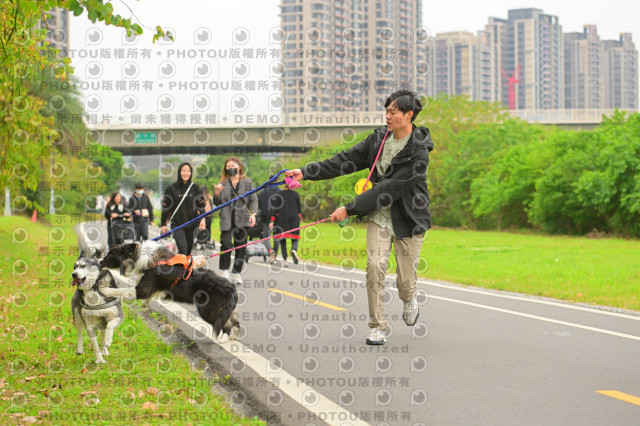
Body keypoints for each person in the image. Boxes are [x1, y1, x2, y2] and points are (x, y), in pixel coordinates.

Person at [285, 90, 434, 345]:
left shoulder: (419, 151)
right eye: (386, 111)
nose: (387, 116)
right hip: (379, 216)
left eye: (393, 112)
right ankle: (377, 326)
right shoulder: (378, 139)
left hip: (409, 218)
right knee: (374, 267)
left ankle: (409, 299)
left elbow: (390, 189)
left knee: (406, 282)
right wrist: (306, 172)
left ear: (409, 115)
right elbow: (344, 160)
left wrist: (350, 208)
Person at [212, 157, 258, 285]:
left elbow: (254, 199)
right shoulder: (223, 183)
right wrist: (217, 193)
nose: (230, 168)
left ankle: (237, 273)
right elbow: (216, 203)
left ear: (239, 167)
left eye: (233, 165)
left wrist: (253, 214)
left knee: (241, 246)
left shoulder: (247, 182)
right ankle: (224, 271)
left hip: (242, 218)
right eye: (228, 166)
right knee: (225, 244)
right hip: (227, 218)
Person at [160, 162, 206, 255]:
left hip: (192, 223)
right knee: (182, 248)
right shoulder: (171, 188)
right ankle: (181, 264)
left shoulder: (196, 188)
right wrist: (163, 223)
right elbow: (166, 207)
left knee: (188, 250)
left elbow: (201, 205)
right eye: (183, 171)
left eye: (188, 171)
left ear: (191, 173)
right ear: (179, 172)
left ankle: (185, 265)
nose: (186, 173)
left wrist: (202, 219)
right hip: (177, 224)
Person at [269, 184, 302, 266]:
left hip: (282, 219)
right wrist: (299, 218)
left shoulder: (279, 194)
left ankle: (285, 259)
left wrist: (272, 220)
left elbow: (275, 209)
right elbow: (299, 210)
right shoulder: (296, 194)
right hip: (294, 219)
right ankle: (294, 249)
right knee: (295, 237)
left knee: (282, 240)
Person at [259, 177, 281, 263]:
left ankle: (270, 251)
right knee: (276, 237)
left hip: (266, 216)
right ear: (277, 181)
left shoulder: (264, 191)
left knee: (266, 237)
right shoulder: (280, 191)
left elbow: (259, 202)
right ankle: (274, 256)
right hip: (277, 217)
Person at [195, 185, 215, 250]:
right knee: (208, 229)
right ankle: (207, 241)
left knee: (201, 229)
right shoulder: (209, 197)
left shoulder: (202, 197)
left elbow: (200, 208)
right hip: (209, 215)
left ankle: (202, 243)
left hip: (203, 215)